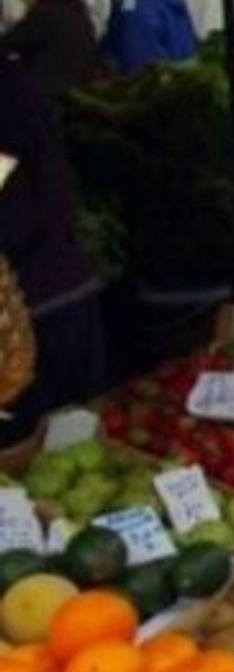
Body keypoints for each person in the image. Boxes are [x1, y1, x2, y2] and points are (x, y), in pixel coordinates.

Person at [0, 58, 105, 445]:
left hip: (40, 299)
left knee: (56, 437)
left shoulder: (7, 92)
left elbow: (13, 184)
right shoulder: (17, 83)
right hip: (54, 284)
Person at [2, 0, 97, 96]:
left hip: (49, 105)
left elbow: (6, 43)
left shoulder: (45, 17)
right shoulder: (76, 12)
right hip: (76, 100)